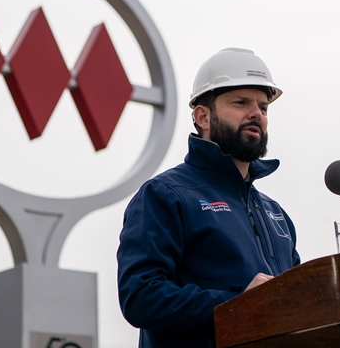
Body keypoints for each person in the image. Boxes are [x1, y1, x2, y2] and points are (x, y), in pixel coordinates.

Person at [117, 48, 300, 348]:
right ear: (203, 117)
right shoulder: (165, 195)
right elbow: (140, 296)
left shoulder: (276, 214)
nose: (256, 113)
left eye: (264, 107)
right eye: (241, 102)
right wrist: (237, 304)